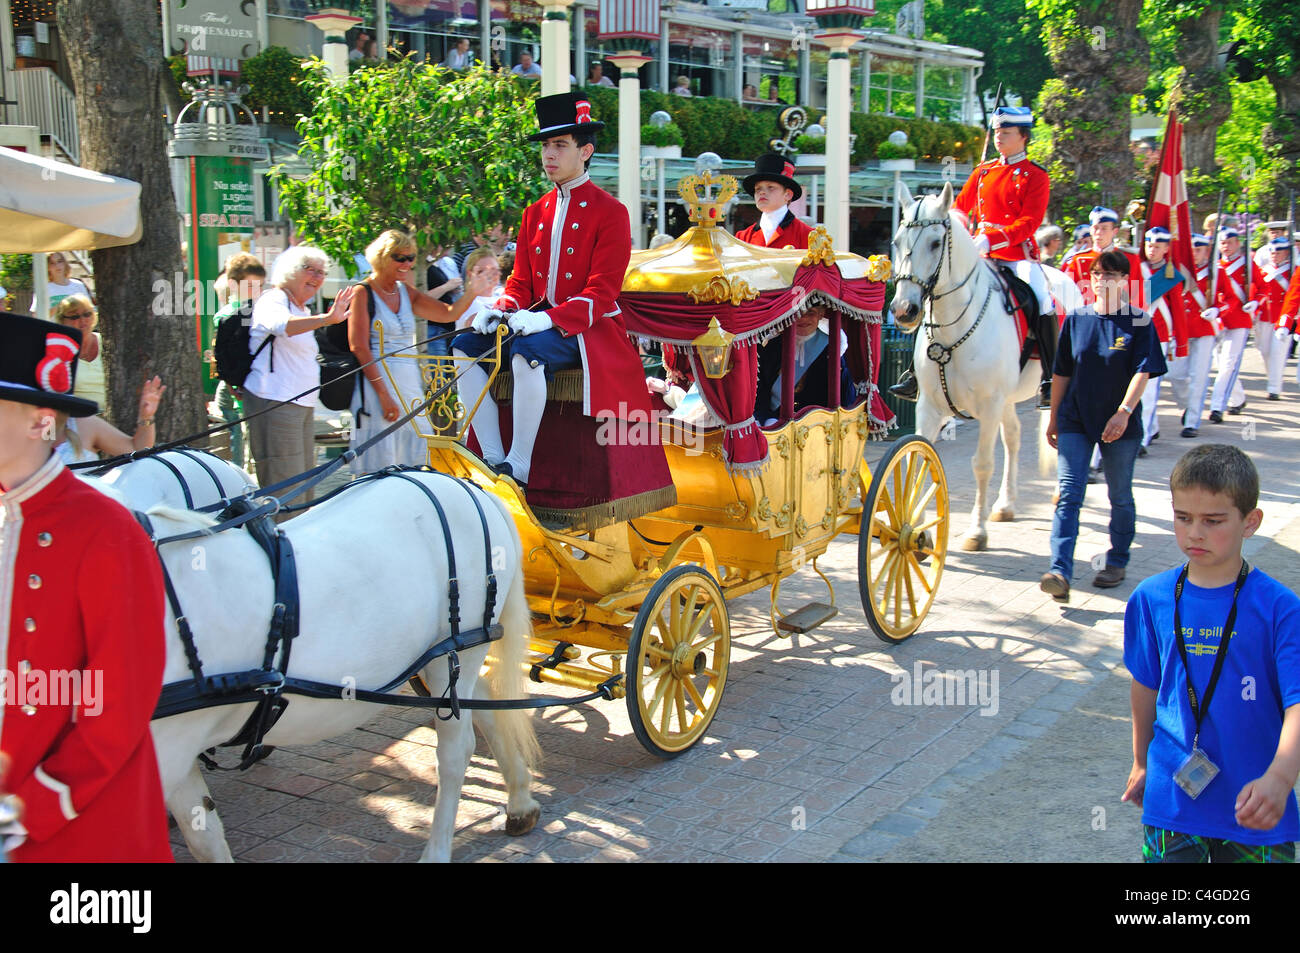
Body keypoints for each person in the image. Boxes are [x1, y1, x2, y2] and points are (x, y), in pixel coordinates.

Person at [0, 313, 172, 862]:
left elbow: (119, 705)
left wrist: (29, 811)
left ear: (39, 421)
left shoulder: (106, 531)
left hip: (75, 827)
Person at [451, 92, 651, 491]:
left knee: (529, 353)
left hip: (588, 332)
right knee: (464, 344)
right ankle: (491, 456)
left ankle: (519, 466)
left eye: (560, 145)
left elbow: (603, 292)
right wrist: (501, 308)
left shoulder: (611, 211)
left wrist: (545, 318)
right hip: (532, 323)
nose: (549, 154)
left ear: (586, 150)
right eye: (545, 145)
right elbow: (522, 283)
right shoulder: (534, 212)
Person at [1122, 444, 1300, 863]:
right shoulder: (1151, 597)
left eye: (1213, 521)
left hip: (1256, 807)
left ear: (1250, 522)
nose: (1194, 533)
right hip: (1172, 806)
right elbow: (1146, 686)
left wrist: (1280, 777)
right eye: (1182, 518)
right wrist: (1141, 759)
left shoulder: (1280, 609)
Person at [894, 105, 1056, 408]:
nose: (999, 138)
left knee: (1042, 298)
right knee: (933, 291)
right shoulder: (983, 171)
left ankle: (1049, 377)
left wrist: (991, 238)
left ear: (1023, 137)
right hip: (977, 255)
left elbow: (1029, 222)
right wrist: (962, 229)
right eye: (996, 132)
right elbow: (958, 208)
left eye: (1006, 133)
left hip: (1014, 255)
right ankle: (917, 372)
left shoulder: (1035, 175)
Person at [1041, 250, 1167, 603]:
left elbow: (1144, 371)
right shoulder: (1076, 320)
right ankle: (1059, 570)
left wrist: (1124, 412)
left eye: (1110, 274)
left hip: (1118, 424)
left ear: (1125, 280)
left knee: (1120, 495)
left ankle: (1117, 561)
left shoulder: (1139, 322)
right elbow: (1062, 372)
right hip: (1075, 419)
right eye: (1096, 273)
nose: (1101, 280)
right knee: (1069, 493)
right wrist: (1053, 418)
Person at [347, 230, 490, 475]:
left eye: (410, 257)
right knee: (379, 462)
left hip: (408, 383)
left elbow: (448, 313)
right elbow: (358, 346)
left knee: (414, 457)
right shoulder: (363, 292)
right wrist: (382, 393)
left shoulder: (405, 291)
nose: (407, 263)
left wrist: (472, 291)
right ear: (381, 257)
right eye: (399, 257)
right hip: (377, 383)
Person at [242, 247, 353, 517]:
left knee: (304, 483)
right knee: (285, 487)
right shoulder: (274, 299)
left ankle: (298, 544)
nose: (317, 277)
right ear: (290, 270)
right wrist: (327, 319)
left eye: (321, 272)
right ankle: (283, 547)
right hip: (276, 401)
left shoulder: (301, 307)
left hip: (299, 403)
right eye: (310, 270)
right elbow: (282, 325)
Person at [752, 306, 852, 425]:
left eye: (810, 313)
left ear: (820, 315)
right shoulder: (771, 347)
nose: (803, 318)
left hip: (816, 423)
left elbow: (844, 396)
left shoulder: (832, 348)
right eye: (798, 313)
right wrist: (765, 417)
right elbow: (760, 389)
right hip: (774, 419)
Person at [211, 252, 265, 469]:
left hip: (244, 384)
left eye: (260, 286)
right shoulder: (229, 316)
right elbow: (223, 353)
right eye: (251, 287)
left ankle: (243, 469)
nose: (257, 292)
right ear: (234, 285)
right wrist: (231, 382)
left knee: (240, 432)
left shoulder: (254, 311)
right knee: (240, 432)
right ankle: (241, 471)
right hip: (240, 384)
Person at [1203, 226, 1261, 423]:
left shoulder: (1248, 265)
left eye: (1229, 242)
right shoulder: (1215, 266)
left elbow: (1262, 289)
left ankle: (1217, 406)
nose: (1225, 247)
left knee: (1228, 364)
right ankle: (1238, 399)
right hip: (1218, 320)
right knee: (1221, 364)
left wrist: (1255, 301)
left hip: (1238, 320)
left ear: (1238, 243)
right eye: (1222, 243)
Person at [1137, 227, 1188, 449]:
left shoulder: (1170, 275)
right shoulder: (1136, 269)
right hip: (1135, 333)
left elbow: (1177, 311)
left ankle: (1142, 439)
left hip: (1159, 336)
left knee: (1148, 390)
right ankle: (1151, 427)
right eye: (1149, 245)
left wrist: (1180, 341)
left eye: (1158, 246)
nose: (1152, 250)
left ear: (1167, 249)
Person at [1180, 233, 1221, 437]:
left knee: (1199, 376)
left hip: (1205, 330)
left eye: (1199, 249)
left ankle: (1192, 421)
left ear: (1207, 251)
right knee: (1175, 374)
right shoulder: (1180, 272)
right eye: (1192, 249)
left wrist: (1218, 310)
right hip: (1182, 329)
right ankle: (1189, 404)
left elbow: (1229, 297)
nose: (1195, 254)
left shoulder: (1215, 272)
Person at [1064, 206, 1141, 308]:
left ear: (1115, 231)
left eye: (1104, 228)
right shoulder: (1078, 260)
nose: (1099, 232)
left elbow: (1138, 295)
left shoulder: (1130, 258)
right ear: (1091, 230)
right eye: (1095, 228)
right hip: (1087, 317)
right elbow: (1067, 295)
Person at [734, 152, 814, 250]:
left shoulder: (808, 236)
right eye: (758, 189)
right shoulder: (742, 237)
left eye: (770, 187)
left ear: (788, 195)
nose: (762, 192)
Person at [52, 295, 105, 410]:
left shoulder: (107, 343)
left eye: (87, 314)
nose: (82, 320)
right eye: (74, 316)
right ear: (62, 320)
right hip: (77, 419)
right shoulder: (59, 350)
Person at [1255, 235, 1292, 400]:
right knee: (1265, 351)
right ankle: (1274, 378)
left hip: (1282, 318)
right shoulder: (1263, 270)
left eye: (1278, 252)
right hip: (1264, 317)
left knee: (1277, 352)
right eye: (1272, 252)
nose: (1274, 255)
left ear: (1286, 253)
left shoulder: (1293, 271)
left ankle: (1274, 388)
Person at [32, 252, 90, 319]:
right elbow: (36, 316)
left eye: (59, 261)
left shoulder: (78, 285)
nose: (57, 265)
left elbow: (89, 311)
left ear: (65, 264)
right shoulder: (43, 288)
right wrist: (59, 307)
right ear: (47, 267)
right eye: (52, 263)